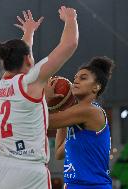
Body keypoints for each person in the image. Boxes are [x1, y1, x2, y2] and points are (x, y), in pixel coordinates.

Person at [0, 6, 79, 189]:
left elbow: (23, 57)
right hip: (27, 171)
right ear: (28, 59)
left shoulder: (1, 85)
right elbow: (70, 44)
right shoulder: (30, 82)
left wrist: (28, 33)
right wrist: (71, 19)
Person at [46, 56, 115, 189]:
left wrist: (47, 101)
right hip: (73, 185)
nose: (76, 81)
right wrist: (61, 109)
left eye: (83, 78)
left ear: (96, 87)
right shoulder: (76, 117)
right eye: (75, 78)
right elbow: (59, 152)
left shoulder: (90, 111)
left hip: (92, 186)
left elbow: (45, 122)